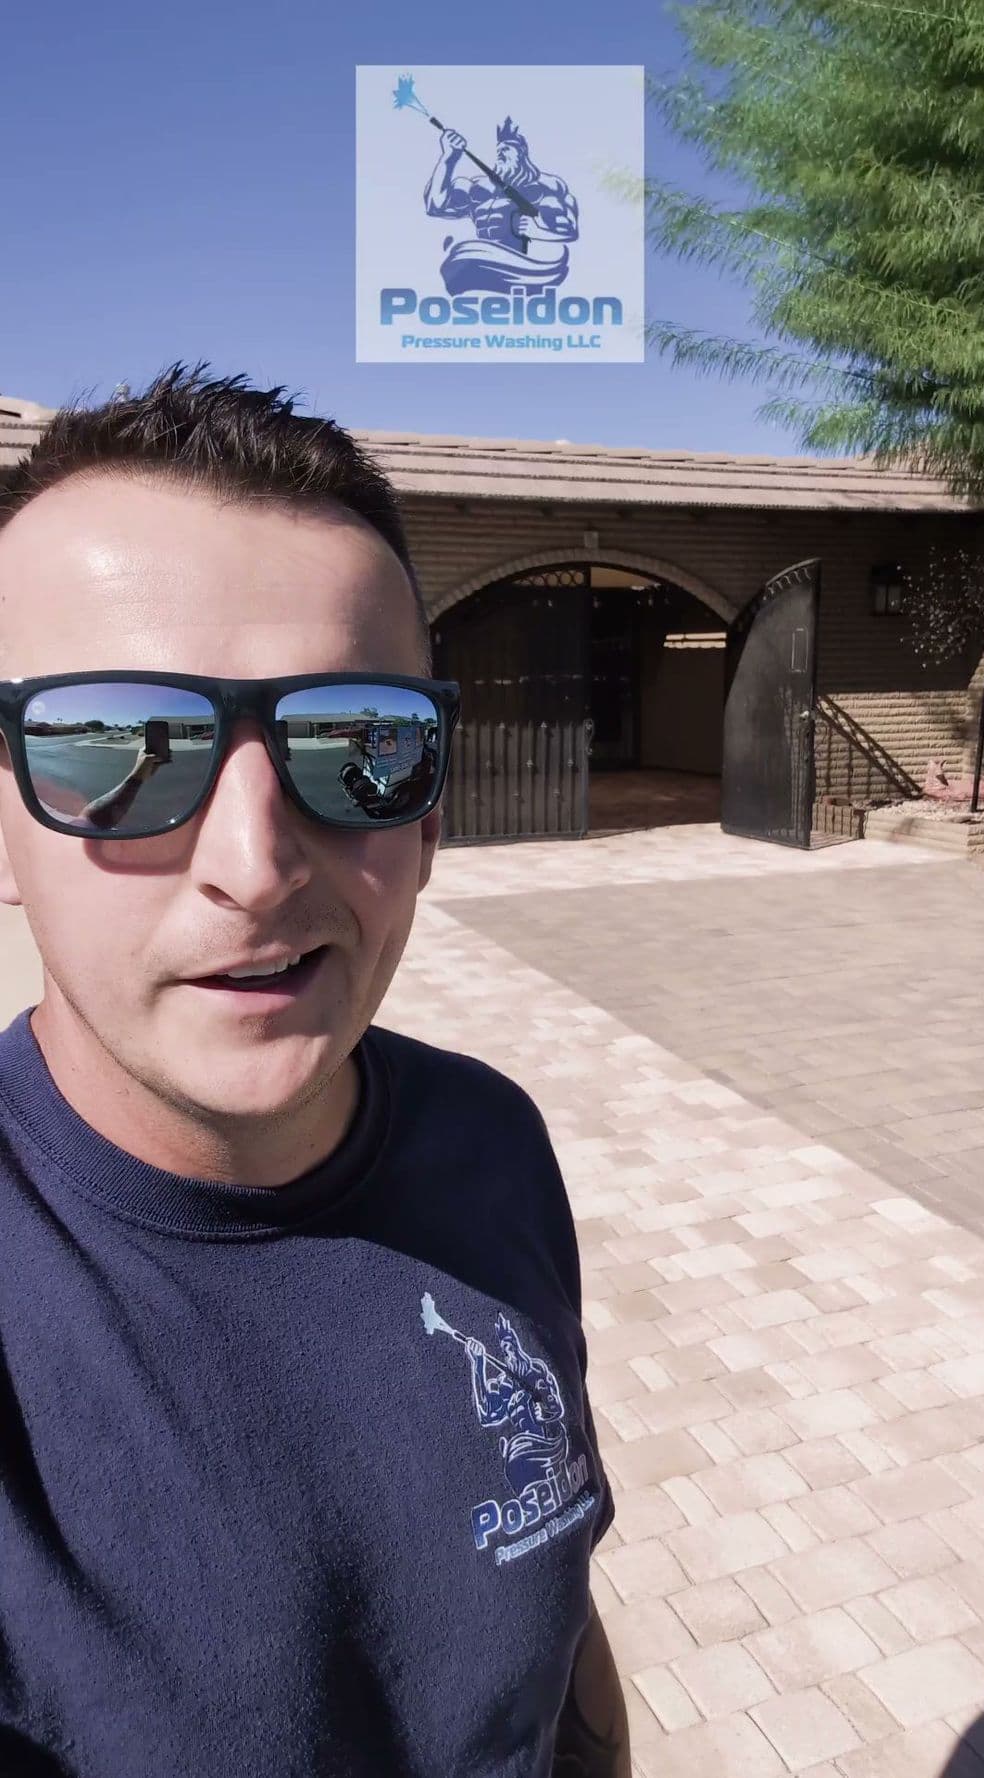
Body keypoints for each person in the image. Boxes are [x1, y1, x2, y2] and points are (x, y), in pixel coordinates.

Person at [0, 366, 628, 1778]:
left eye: (356, 743)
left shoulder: (493, 1141)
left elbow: (564, 1631)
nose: (255, 862)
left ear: (433, 808)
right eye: (121, 746)